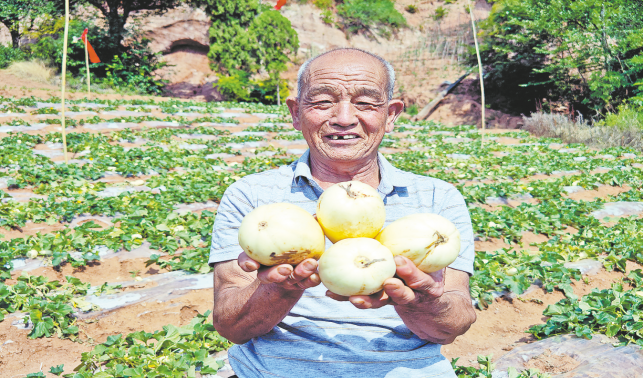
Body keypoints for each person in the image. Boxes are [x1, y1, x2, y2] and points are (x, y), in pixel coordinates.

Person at [209, 48, 477, 378]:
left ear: (391, 115)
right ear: (295, 113)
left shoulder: (437, 198)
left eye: (365, 103)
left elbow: (453, 325)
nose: (344, 118)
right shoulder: (252, 196)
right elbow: (231, 326)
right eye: (322, 101)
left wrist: (421, 301)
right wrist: (279, 288)